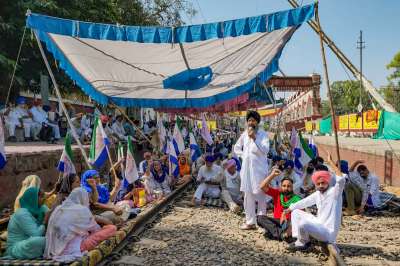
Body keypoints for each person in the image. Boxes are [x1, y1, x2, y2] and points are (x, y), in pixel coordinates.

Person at [283, 155, 346, 251]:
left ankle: (303, 242)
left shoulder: (334, 192)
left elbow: (341, 180)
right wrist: (289, 209)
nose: (321, 186)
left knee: (303, 223)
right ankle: (299, 240)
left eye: (323, 183)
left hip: (327, 232)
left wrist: (331, 163)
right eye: (318, 184)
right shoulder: (318, 194)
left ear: (327, 182)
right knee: (295, 212)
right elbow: (304, 202)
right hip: (319, 224)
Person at [45, 187, 117, 262]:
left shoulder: (59, 208)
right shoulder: (82, 210)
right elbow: (96, 229)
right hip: (78, 247)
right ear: (83, 198)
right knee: (111, 228)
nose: (88, 202)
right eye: (87, 199)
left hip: (55, 249)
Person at [234, 110, 270, 230]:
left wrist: (254, 137)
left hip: (259, 171)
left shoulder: (263, 134)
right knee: (248, 196)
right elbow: (236, 147)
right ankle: (250, 222)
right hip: (247, 171)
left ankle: (262, 223)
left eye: (253, 120)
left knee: (260, 196)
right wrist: (243, 156)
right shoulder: (244, 134)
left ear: (257, 122)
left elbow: (265, 150)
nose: (251, 122)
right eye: (249, 120)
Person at [258, 168, 301, 241]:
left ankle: (275, 233)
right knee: (260, 218)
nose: (286, 188)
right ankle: (281, 234)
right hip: (277, 221)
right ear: (281, 186)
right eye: (284, 186)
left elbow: (300, 217)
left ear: (292, 187)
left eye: (288, 186)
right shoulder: (277, 194)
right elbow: (262, 186)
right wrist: (272, 175)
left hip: (289, 224)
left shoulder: (297, 199)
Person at [5, 187, 48, 259]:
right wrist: (44, 221)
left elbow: (53, 216)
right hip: (17, 248)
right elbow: (36, 234)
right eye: (41, 196)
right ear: (32, 198)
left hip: (30, 242)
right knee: (38, 241)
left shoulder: (41, 208)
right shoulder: (22, 213)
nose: (44, 198)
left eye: (43, 195)